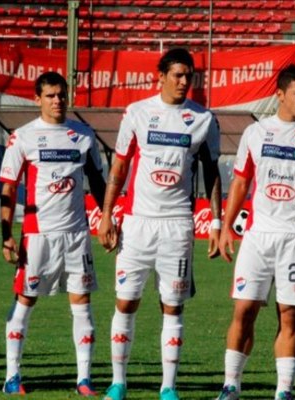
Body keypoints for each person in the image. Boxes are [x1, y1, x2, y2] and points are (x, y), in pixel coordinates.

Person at [97, 48, 222, 400]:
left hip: (177, 227)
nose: (185, 82)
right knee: (126, 301)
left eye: (190, 76)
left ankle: (168, 387)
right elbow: (119, 168)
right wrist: (107, 214)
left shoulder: (203, 119)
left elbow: (211, 173)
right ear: (161, 76)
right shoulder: (137, 113)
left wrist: (216, 221)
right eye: (179, 75)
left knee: (173, 305)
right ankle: (118, 383)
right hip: (137, 224)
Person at [215, 65, 295, 400]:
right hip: (258, 237)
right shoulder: (256, 133)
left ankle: (284, 391)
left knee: (290, 315)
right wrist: (225, 227)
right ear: (279, 95)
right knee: (244, 310)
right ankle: (231, 386)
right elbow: (240, 182)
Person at [0, 71, 106, 396]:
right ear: (38, 99)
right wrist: (6, 234)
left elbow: (98, 183)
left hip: (77, 236)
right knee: (25, 301)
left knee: (82, 303)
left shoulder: (83, 135)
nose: (57, 101)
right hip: (38, 236)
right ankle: (11, 377)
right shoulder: (24, 137)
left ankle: (84, 380)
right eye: (50, 95)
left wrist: (109, 219)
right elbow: (8, 187)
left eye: (61, 95)